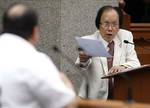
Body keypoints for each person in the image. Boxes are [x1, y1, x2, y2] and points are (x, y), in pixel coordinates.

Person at [0, 3, 75, 108]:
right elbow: (66, 104)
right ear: (35, 32)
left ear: (3, 27)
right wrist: (66, 84)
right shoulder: (35, 61)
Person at [75, 5, 140, 100]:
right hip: (94, 98)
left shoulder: (125, 37)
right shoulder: (90, 40)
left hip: (119, 96)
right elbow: (81, 66)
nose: (110, 28)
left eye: (114, 24)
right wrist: (83, 60)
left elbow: (136, 63)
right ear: (99, 24)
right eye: (106, 24)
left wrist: (123, 67)